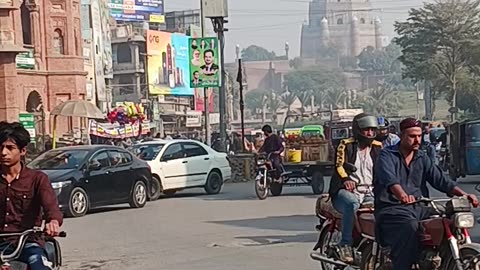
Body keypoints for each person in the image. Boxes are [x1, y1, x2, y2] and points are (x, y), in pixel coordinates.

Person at [373, 118, 479, 270]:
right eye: (412, 136)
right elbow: (390, 180)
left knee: (447, 222)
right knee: (410, 226)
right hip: (392, 208)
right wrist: (402, 195)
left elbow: (441, 180)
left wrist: (463, 194)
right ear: (401, 136)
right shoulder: (386, 156)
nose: (417, 140)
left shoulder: (422, 157)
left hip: (420, 208)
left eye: (419, 136)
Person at [0, 122, 63, 270]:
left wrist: (52, 221)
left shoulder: (37, 179)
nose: (3, 153)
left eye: (10, 148)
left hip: (27, 242)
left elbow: (51, 206)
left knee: (39, 265)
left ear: (22, 151)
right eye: (0, 147)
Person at [328, 113, 383, 263]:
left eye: (372, 130)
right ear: (358, 130)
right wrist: (346, 180)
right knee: (352, 203)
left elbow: (384, 168)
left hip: (370, 191)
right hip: (346, 190)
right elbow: (339, 165)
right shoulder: (346, 144)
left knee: (386, 207)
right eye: (366, 129)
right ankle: (345, 243)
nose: (370, 133)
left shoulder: (378, 147)